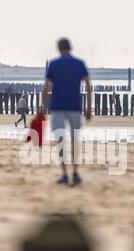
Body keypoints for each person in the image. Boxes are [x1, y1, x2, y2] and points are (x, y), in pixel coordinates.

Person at [41, 38, 92, 185]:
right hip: (75, 107)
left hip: (57, 107)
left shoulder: (54, 64)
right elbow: (88, 86)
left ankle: (64, 174)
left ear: (58, 48)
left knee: (61, 140)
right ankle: (75, 173)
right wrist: (88, 108)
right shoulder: (80, 63)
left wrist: (42, 106)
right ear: (70, 47)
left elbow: (45, 86)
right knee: (75, 140)